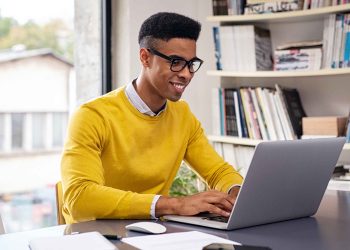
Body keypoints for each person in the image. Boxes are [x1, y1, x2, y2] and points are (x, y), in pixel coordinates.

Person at [61, 12, 243, 224]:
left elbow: (218, 171)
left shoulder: (183, 116)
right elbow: (79, 197)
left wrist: (236, 193)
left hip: (153, 233)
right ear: (145, 57)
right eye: (176, 62)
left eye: (191, 63)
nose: (186, 74)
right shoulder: (92, 116)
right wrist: (174, 205)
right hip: (94, 235)